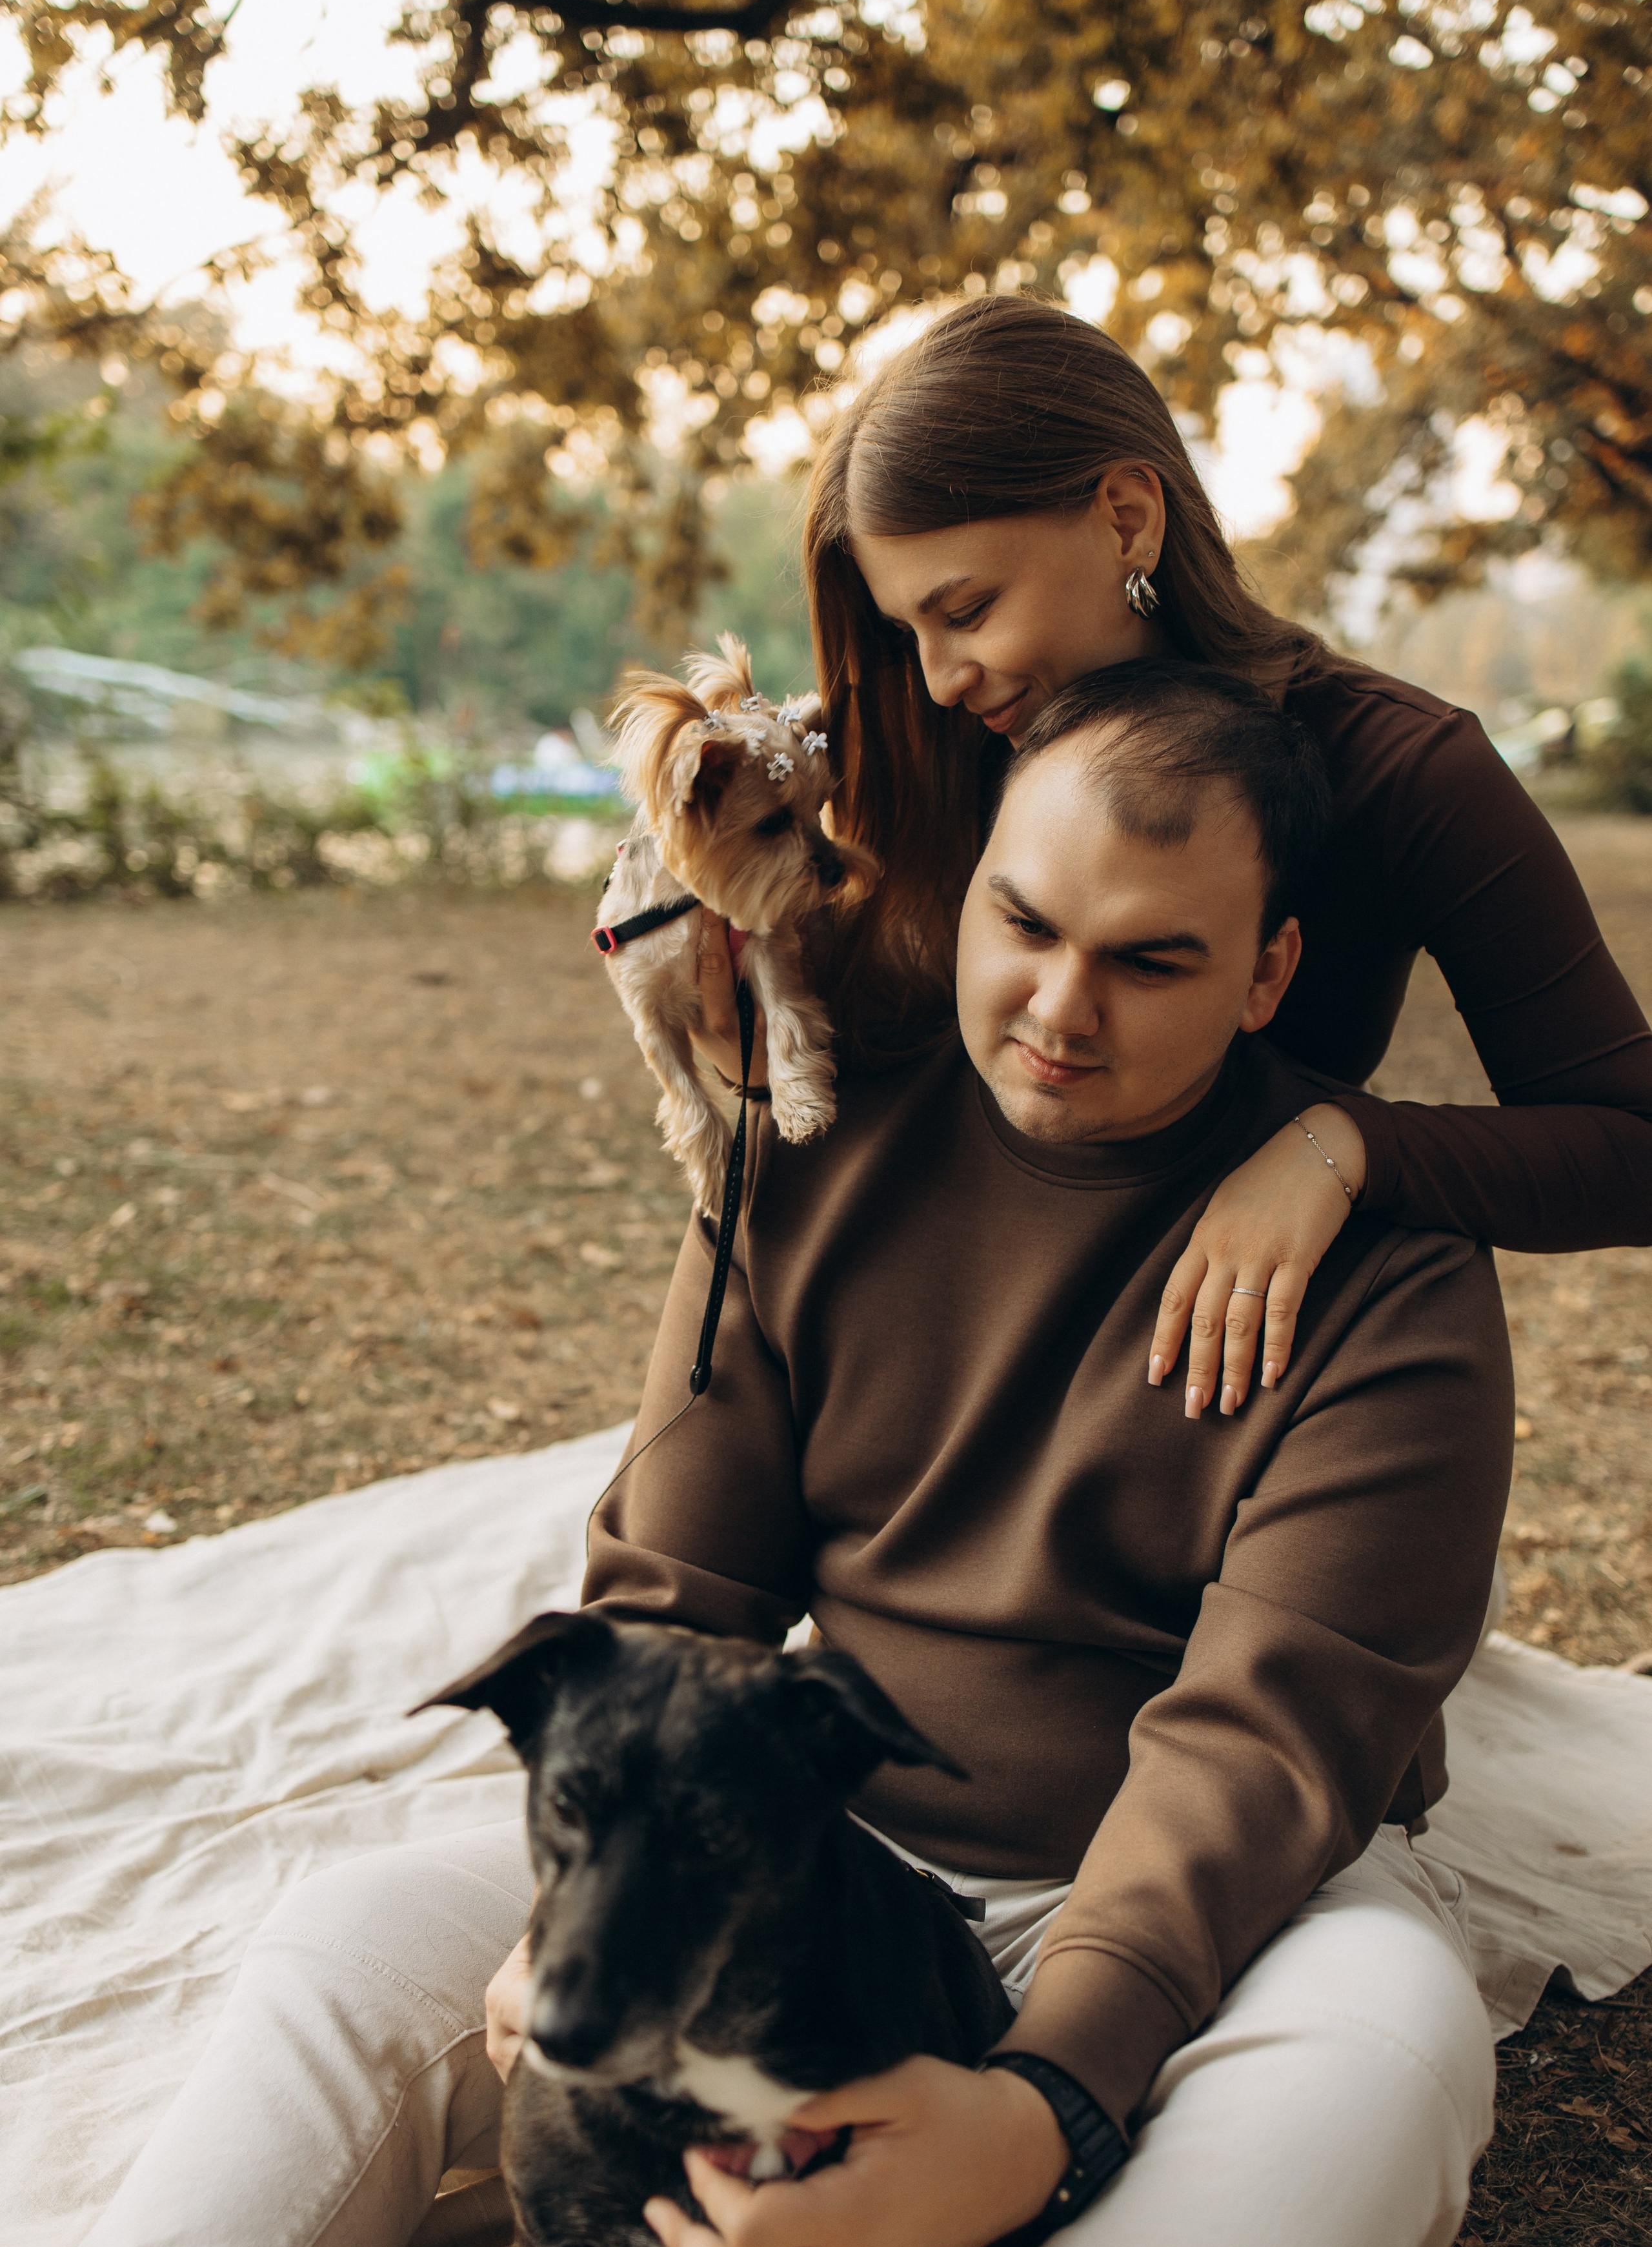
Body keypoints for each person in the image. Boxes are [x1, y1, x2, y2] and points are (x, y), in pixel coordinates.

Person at [3, 664, 1512, 2247]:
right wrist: (574, 1900)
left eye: (1153, 960)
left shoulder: (1393, 1276)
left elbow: (1273, 1738)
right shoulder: (811, 1146)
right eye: (1024, 924)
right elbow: (674, 1579)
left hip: (1220, 1894)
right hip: (801, 1825)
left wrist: (1038, 2108)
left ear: (1271, 972)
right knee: (351, 1944)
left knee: (1391, 2068)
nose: (1058, 1009)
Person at [692, 290, 1652, 1421]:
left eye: (970, 608)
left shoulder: (1407, 774)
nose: (942, 675)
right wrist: (745, 1053)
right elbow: (881, 1095)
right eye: (911, 630)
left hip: (1210, 1379)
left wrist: (1343, 1144)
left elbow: (1632, 1148)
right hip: (930, 1360)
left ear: (1127, 518)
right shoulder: (938, 732)